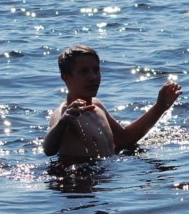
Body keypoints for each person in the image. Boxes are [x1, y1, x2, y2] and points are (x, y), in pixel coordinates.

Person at [43, 45, 181, 164]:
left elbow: (126, 139)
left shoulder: (97, 106)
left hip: (107, 177)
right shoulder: (64, 112)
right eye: (84, 71)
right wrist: (64, 121)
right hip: (82, 182)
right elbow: (49, 150)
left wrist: (161, 106)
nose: (93, 77)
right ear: (65, 77)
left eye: (96, 70)